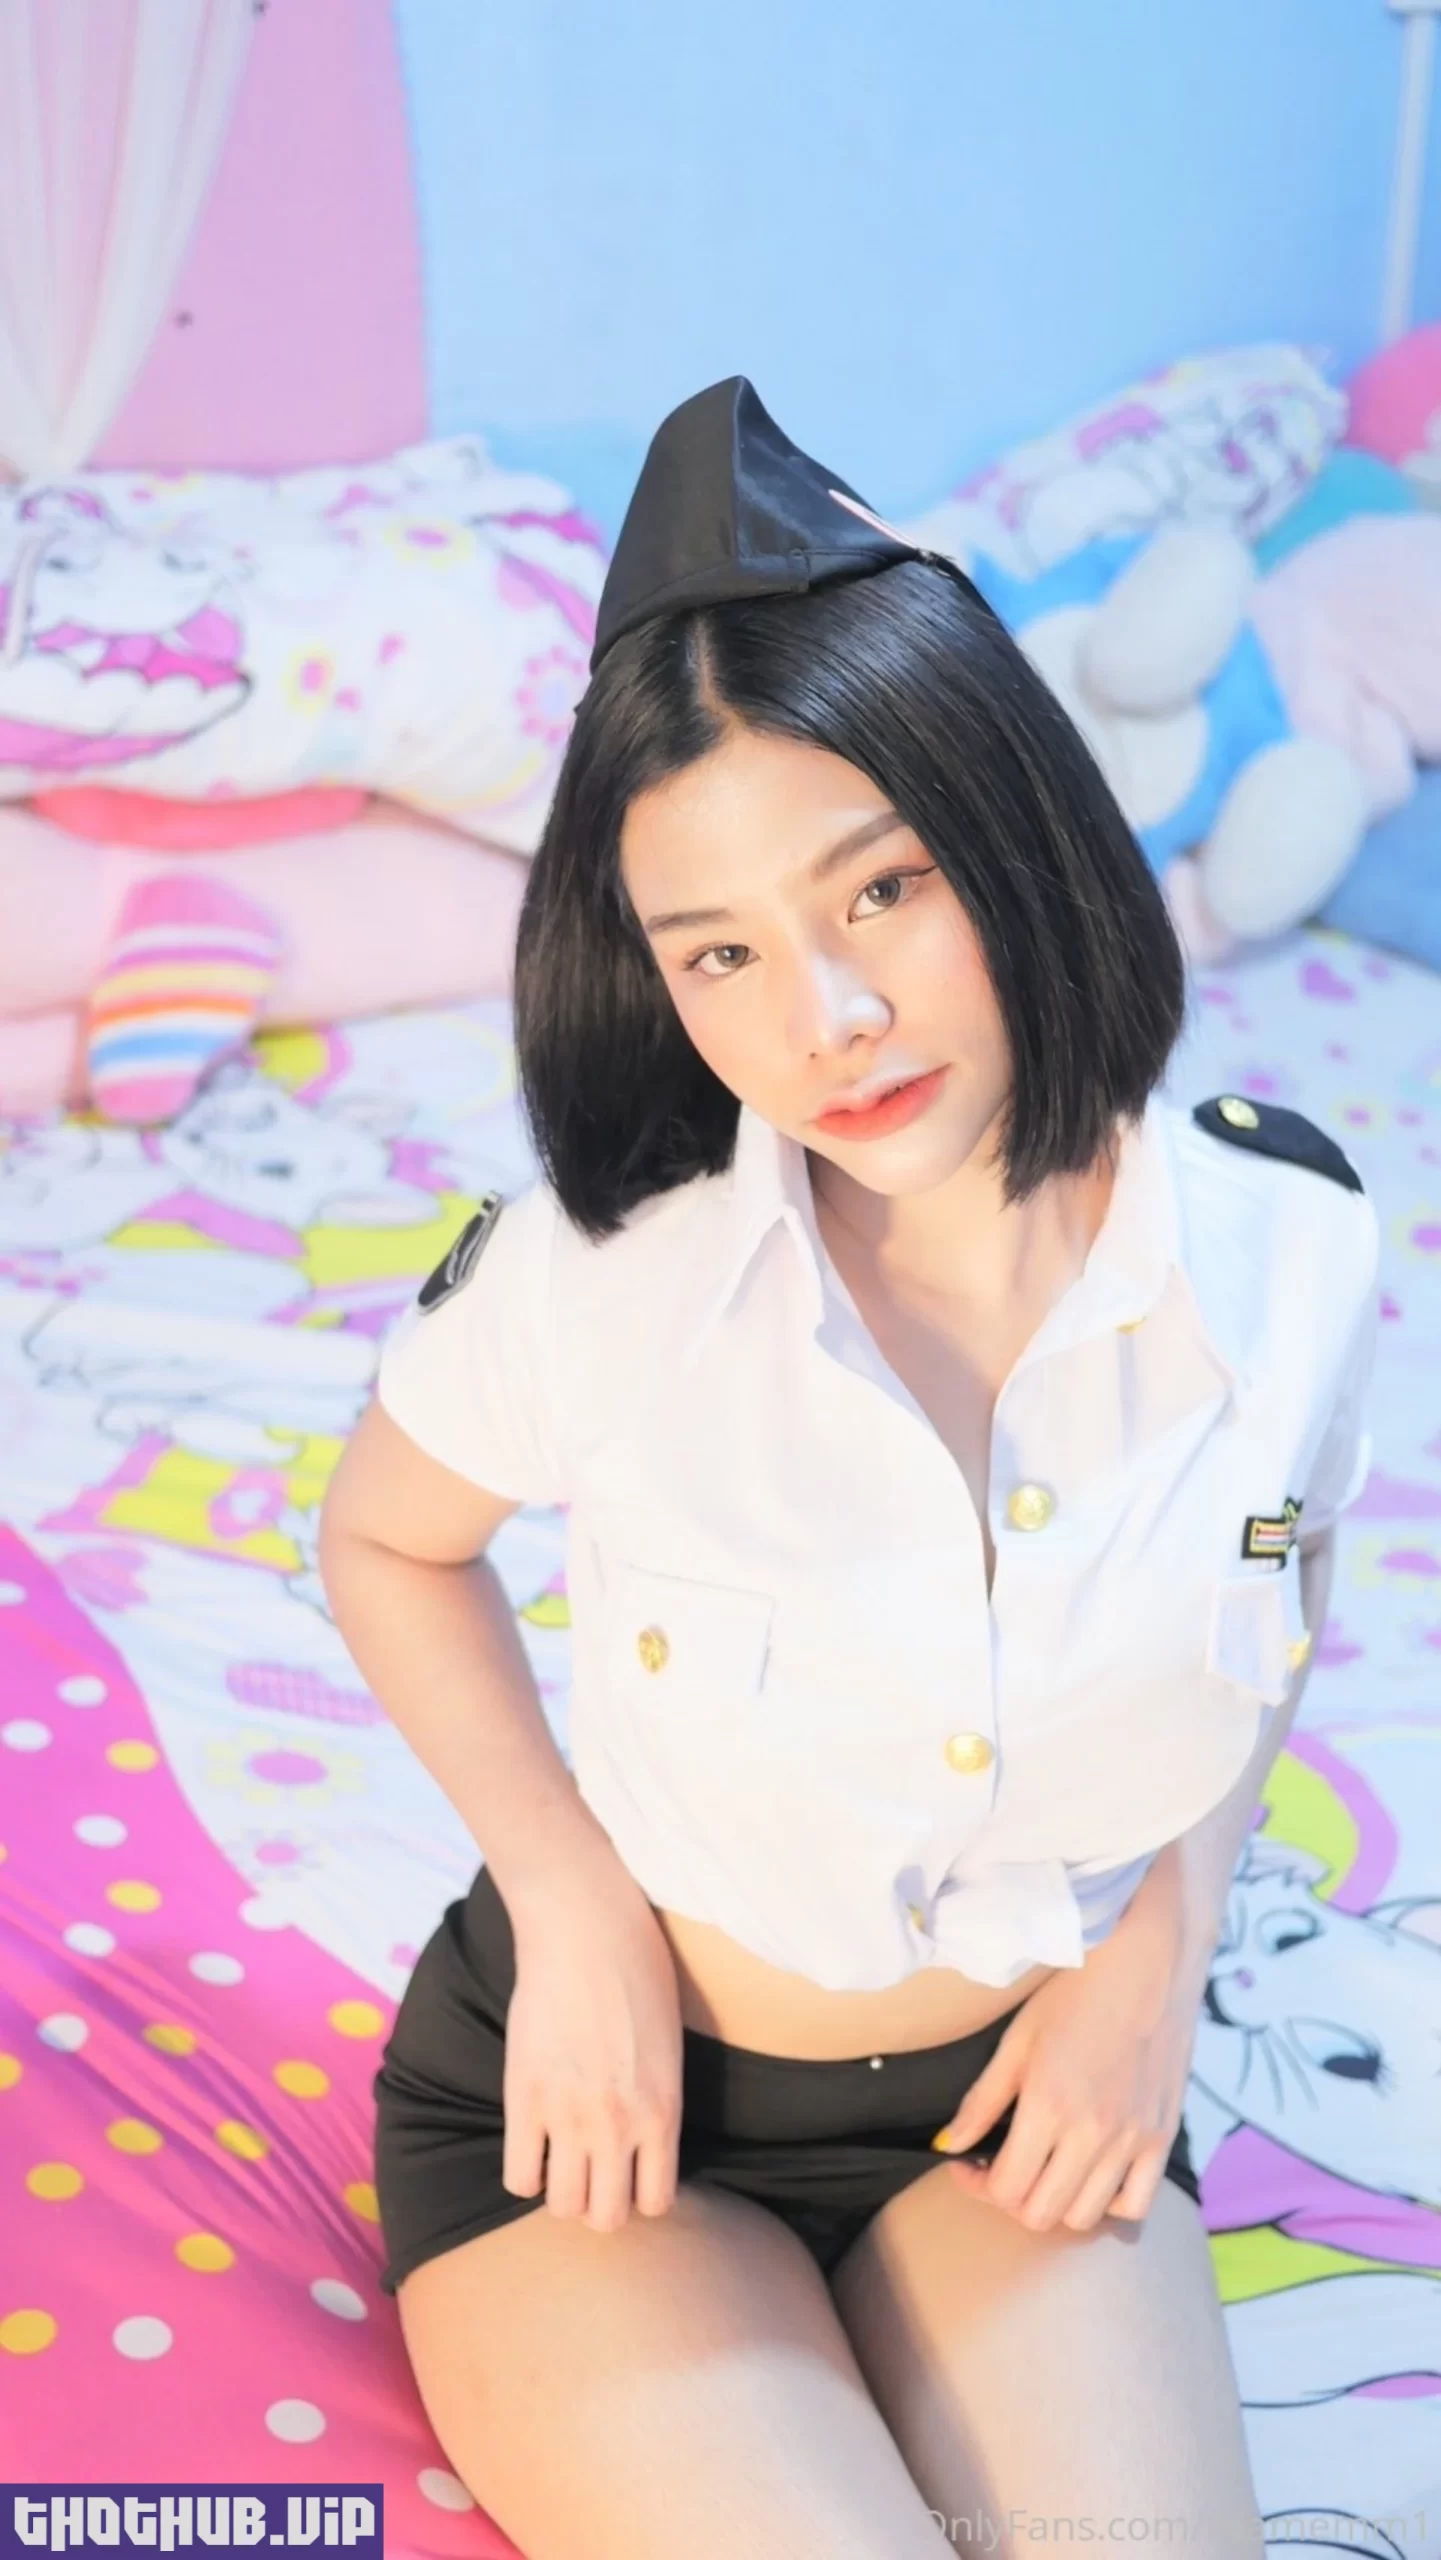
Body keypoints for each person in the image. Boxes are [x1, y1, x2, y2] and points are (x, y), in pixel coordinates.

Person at [318, 379, 1380, 2560]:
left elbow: (1278, 1570)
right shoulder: (605, 1279)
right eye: (717, 951)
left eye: (879, 886)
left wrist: (1159, 1955)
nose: (824, 1021)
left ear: (1016, 826)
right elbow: (389, 1543)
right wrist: (570, 1905)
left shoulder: (1290, 1246)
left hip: (1023, 2103)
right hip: (612, 2121)